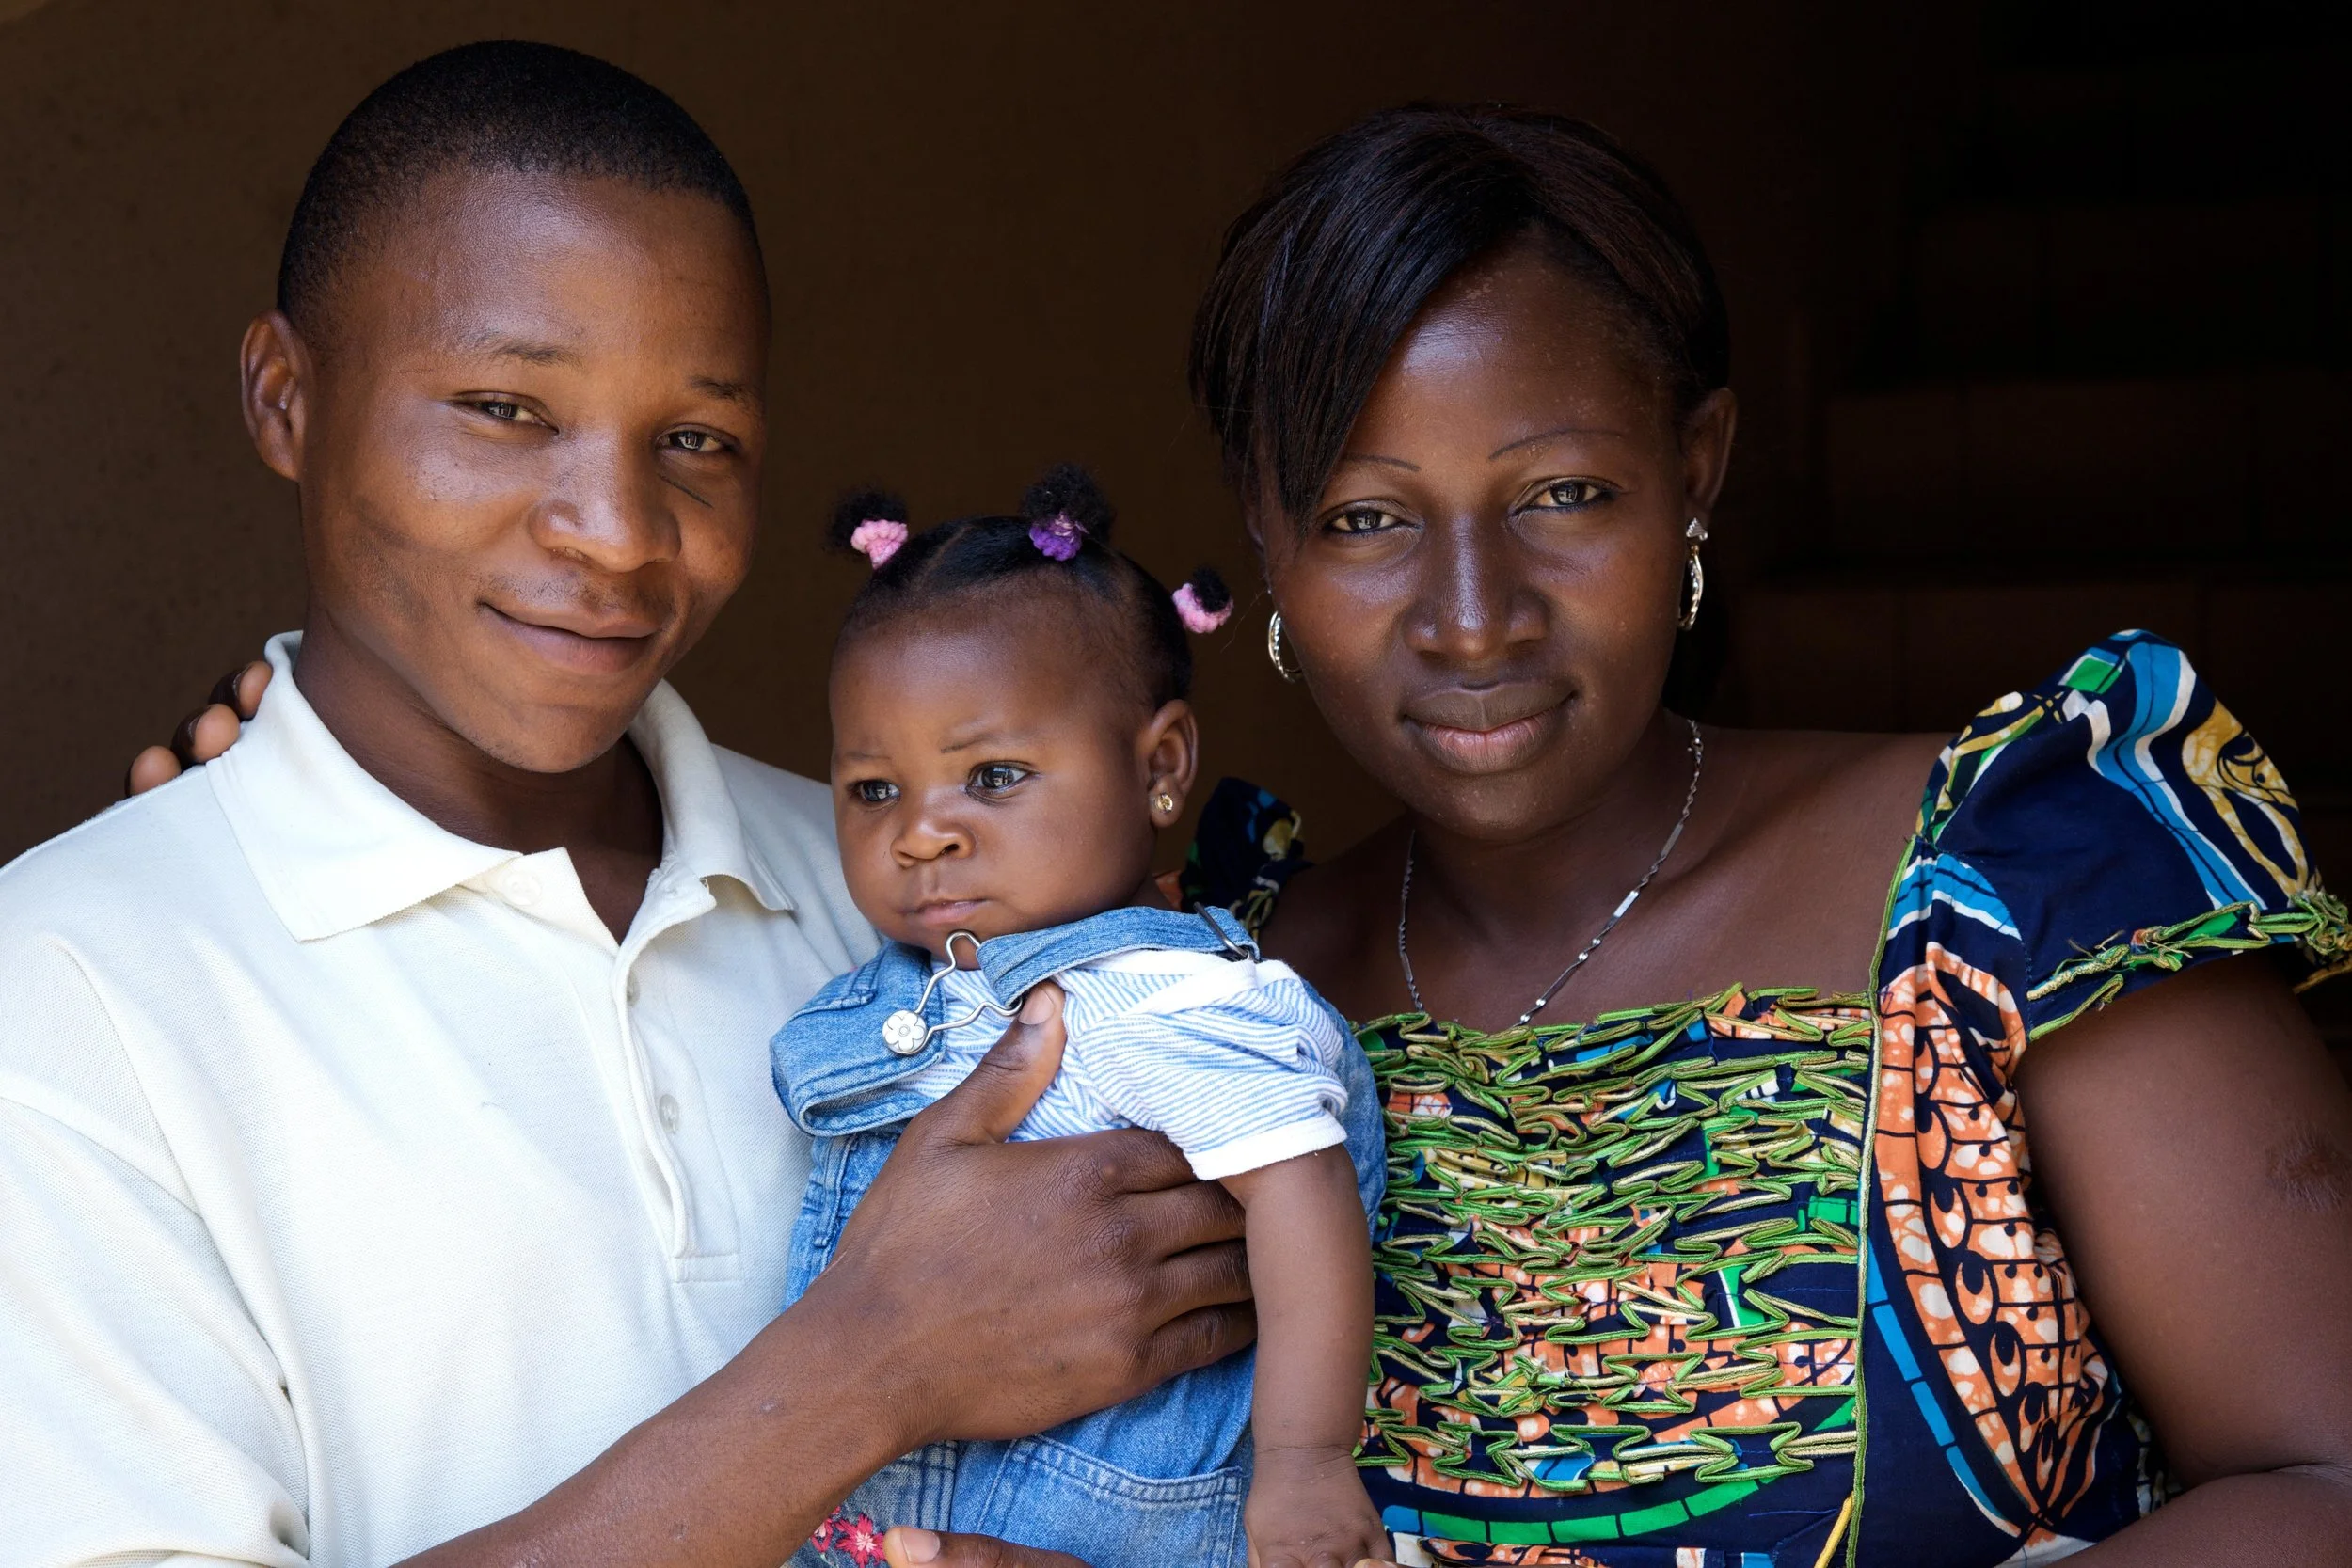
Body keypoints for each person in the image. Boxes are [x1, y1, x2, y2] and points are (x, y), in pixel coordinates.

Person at [1, 42, 1274, 1568]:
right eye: (503, 406)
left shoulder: (905, 887)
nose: (614, 532)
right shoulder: (69, 994)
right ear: (286, 396)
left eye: (697, 441)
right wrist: (862, 1369)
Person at [1173, 105, 2352, 1565]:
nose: (1473, 615)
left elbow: (2326, 1477)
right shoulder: (1221, 991)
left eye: (1562, 494)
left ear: (1698, 472)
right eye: (1364, 517)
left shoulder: (2015, 876)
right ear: (1268, 534)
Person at [777, 467, 1386, 1566]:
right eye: (874, 788)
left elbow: (1304, 1189)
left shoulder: (1167, 992)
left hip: (1103, 1528)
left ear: (1160, 766)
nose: (921, 832)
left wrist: (1305, 1462)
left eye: (992, 773)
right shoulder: (918, 987)